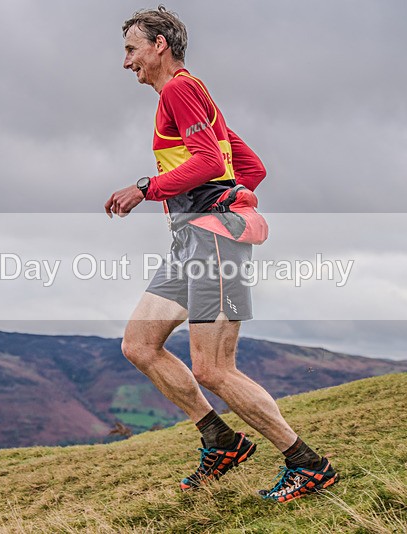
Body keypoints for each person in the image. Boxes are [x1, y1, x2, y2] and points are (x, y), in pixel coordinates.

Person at [104, 6, 339, 502]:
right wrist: (229, 194)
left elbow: (210, 161)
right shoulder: (193, 95)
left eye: (131, 49)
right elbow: (247, 166)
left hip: (212, 240)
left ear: (159, 45)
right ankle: (220, 440)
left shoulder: (180, 89)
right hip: (192, 240)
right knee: (139, 345)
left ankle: (309, 465)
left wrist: (147, 187)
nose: (126, 62)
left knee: (214, 369)